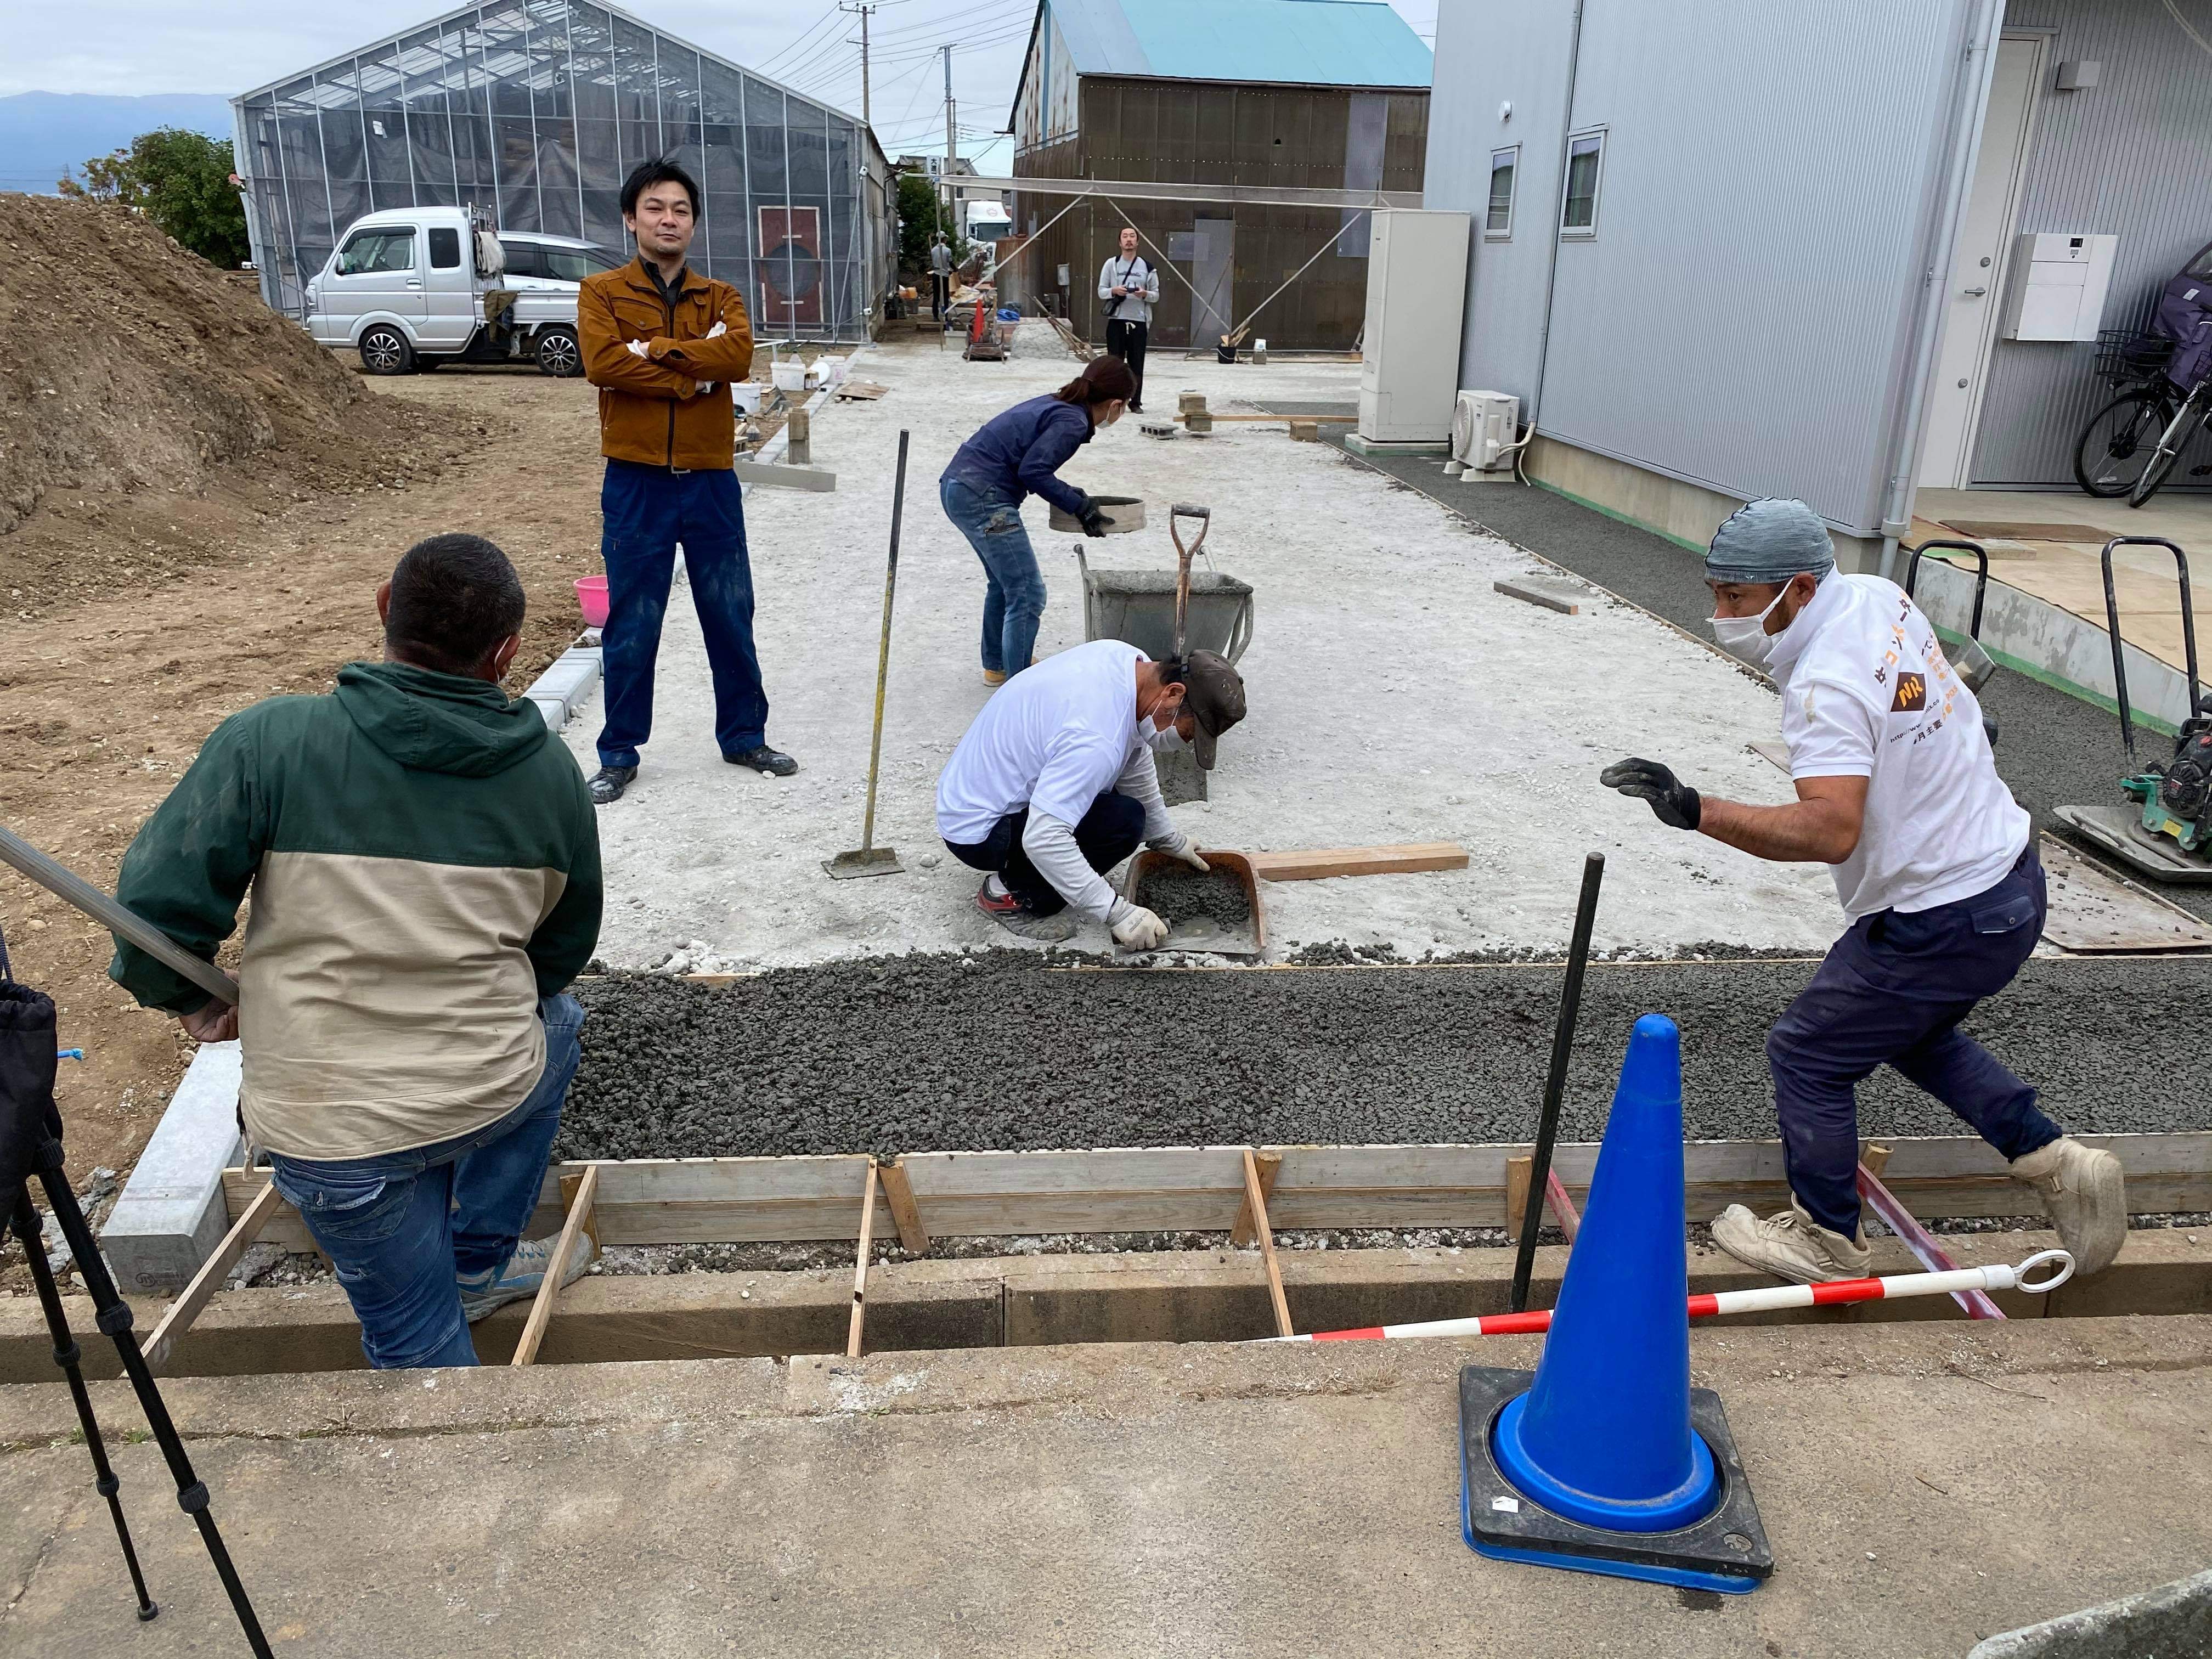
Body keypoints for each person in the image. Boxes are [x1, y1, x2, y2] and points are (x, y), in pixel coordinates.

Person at [109, 534, 604, 1368]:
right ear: (510, 651)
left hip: (328, 1133)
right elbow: (558, 952)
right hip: (484, 1091)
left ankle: (470, 1281)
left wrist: (195, 1001)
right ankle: (479, 1257)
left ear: (383, 606)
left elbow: (154, 912)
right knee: (555, 1021)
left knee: (417, 1341)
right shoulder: (551, 777)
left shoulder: (271, 742)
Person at [1600, 498, 2125, 1284]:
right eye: (1717, 591)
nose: (1722, 614)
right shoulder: (1879, 597)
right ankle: (2050, 1159)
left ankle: (1827, 1239)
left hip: (1941, 914)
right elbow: (1938, 688)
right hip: (2009, 883)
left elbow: (1829, 829)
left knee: (1808, 1051)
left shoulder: (1823, 688)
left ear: (1801, 589)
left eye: (1738, 599)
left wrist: (1695, 810)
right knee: (1904, 1028)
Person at [577, 156, 795, 808]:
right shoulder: (601, 293)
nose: (668, 219)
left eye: (680, 210)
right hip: (636, 483)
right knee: (633, 620)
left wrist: (659, 350)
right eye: (654, 207)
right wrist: (693, 375)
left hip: (709, 483)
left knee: (730, 611)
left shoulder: (720, 297)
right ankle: (618, 752)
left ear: (694, 224)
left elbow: (737, 354)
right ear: (630, 218)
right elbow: (602, 363)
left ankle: (744, 735)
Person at [938, 639, 1246, 944]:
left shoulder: (1128, 664)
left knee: (1122, 810)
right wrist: (1117, 913)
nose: (1186, 742)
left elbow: (1133, 758)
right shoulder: (1095, 737)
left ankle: (1025, 876)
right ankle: (1008, 895)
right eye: (1190, 732)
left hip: (977, 793)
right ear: (1174, 693)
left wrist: (1165, 837)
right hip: (981, 831)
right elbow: (1045, 838)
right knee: (1122, 824)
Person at [940, 356, 1136, 686]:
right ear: (1117, 404)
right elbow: (1033, 471)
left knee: (1004, 584)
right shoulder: (1072, 421)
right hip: (986, 502)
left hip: (960, 487)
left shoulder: (1061, 405)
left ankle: (999, 666)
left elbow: (1029, 463)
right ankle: (1019, 687)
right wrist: (1080, 506)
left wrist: (1073, 496)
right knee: (1028, 592)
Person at [1097, 226, 1160, 413]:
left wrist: (1144, 294)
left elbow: (1156, 295)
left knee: (1136, 364)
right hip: (1117, 320)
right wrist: (1114, 291)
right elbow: (1101, 291)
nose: (1129, 240)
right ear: (1120, 242)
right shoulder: (1112, 264)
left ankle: (1135, 402)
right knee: (1114, 365)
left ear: (1138, 242)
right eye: (1125, 236)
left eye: (1132, 236)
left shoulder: (1148, 267)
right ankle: (1114, 401)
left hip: (1139, 321)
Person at [929, 233, 954, 321]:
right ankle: (946, 315)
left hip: (936, 274)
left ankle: (935, 315)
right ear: (944, 239)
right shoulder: (947, 250)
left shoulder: (933, 250)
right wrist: (955, 269)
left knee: (936, 295)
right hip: (944, 275)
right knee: (945, 296)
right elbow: (950, 263)